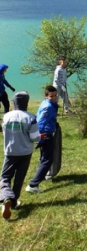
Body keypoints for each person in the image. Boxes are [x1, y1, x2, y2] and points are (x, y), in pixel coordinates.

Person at [1, 92, 40, 220]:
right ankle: (13, 202)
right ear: (27, 103)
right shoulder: (31, 117)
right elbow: (35, 138)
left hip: (10, 152)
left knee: (5, 177)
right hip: (25, 152)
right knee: (19, 177)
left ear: (14, 102)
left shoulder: (6, 116)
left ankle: (6, 196)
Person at [25, 86, 58, 194]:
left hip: (46, 133)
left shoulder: (47, 103)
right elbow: (40, 121)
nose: (53, 98)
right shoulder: (47, 107)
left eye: (55, 95)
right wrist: (42, 136)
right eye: (51, 96)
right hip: (46, 135)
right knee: (47, 160)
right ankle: (33, 185)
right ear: (46, 96)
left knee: (44, 158)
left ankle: (41, 176)